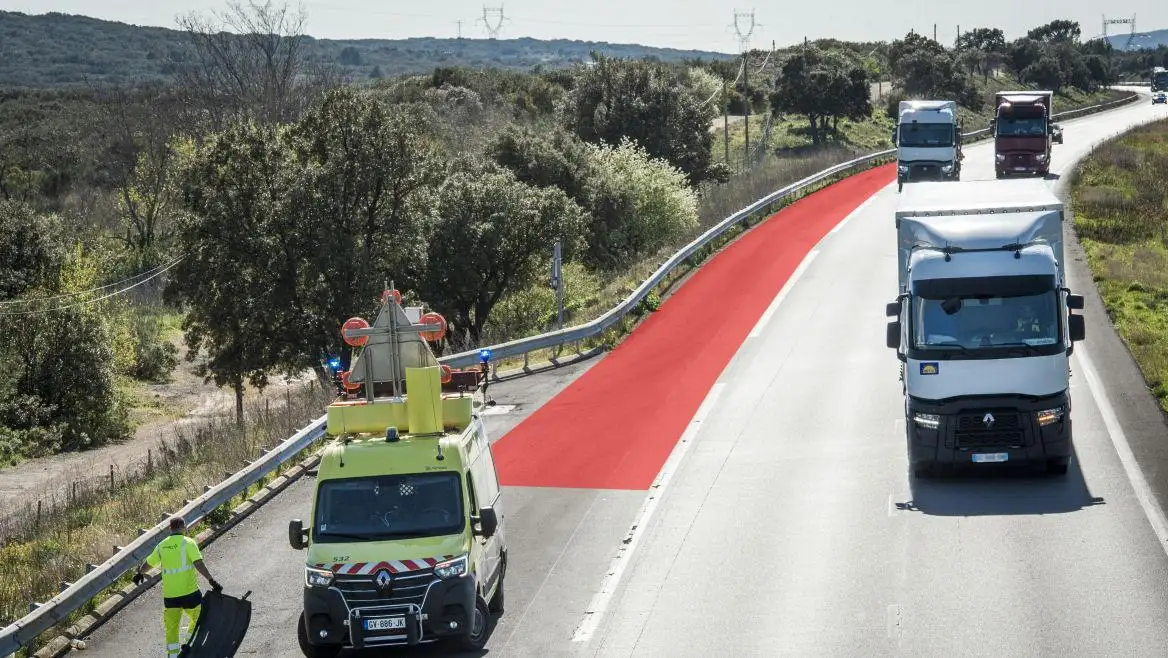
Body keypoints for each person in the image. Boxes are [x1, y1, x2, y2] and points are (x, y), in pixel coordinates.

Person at [133, 516, 223, 657]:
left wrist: (139, 573)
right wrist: (211, 580)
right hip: (189, 593)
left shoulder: (162, 545)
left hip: (170, 596)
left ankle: (173, 655)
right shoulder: (188, 542)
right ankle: (188, 645)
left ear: (170, 529)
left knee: (172, 628)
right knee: (200, 617)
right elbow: (198, 563)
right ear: (183, 527)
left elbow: (148, 564)